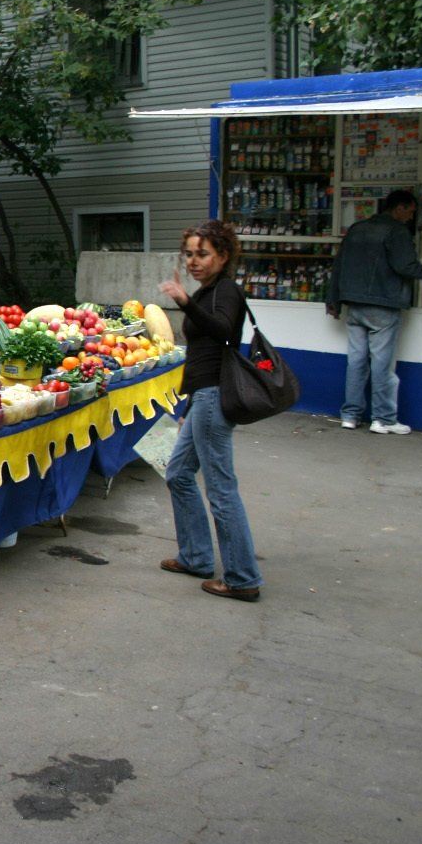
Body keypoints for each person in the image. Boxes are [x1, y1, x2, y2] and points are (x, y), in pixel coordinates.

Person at [157, 220, 262, 602]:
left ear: (223, 255)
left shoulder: (226, 291)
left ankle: (243, 578)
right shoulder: (208, 292)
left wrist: (185, 302)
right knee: (178, 473)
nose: (193, 261)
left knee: (221, 489)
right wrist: (187, 403)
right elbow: (202, 355)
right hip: (202, 397)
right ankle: (196, 557)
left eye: (202, 253)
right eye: (189, 254)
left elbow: (223, 333)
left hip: (215, 398)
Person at [326, 189, 422, 434]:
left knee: (356, 363)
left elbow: (339, 265)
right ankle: (383, 419)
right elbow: (406, 266)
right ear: (399, 208)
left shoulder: (357, 229)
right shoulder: (397, 231)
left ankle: (350, 415)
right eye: (410, 212)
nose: (411, 217)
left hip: (354, 305)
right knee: (382, 366)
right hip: (383, 305)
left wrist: (333, 300)